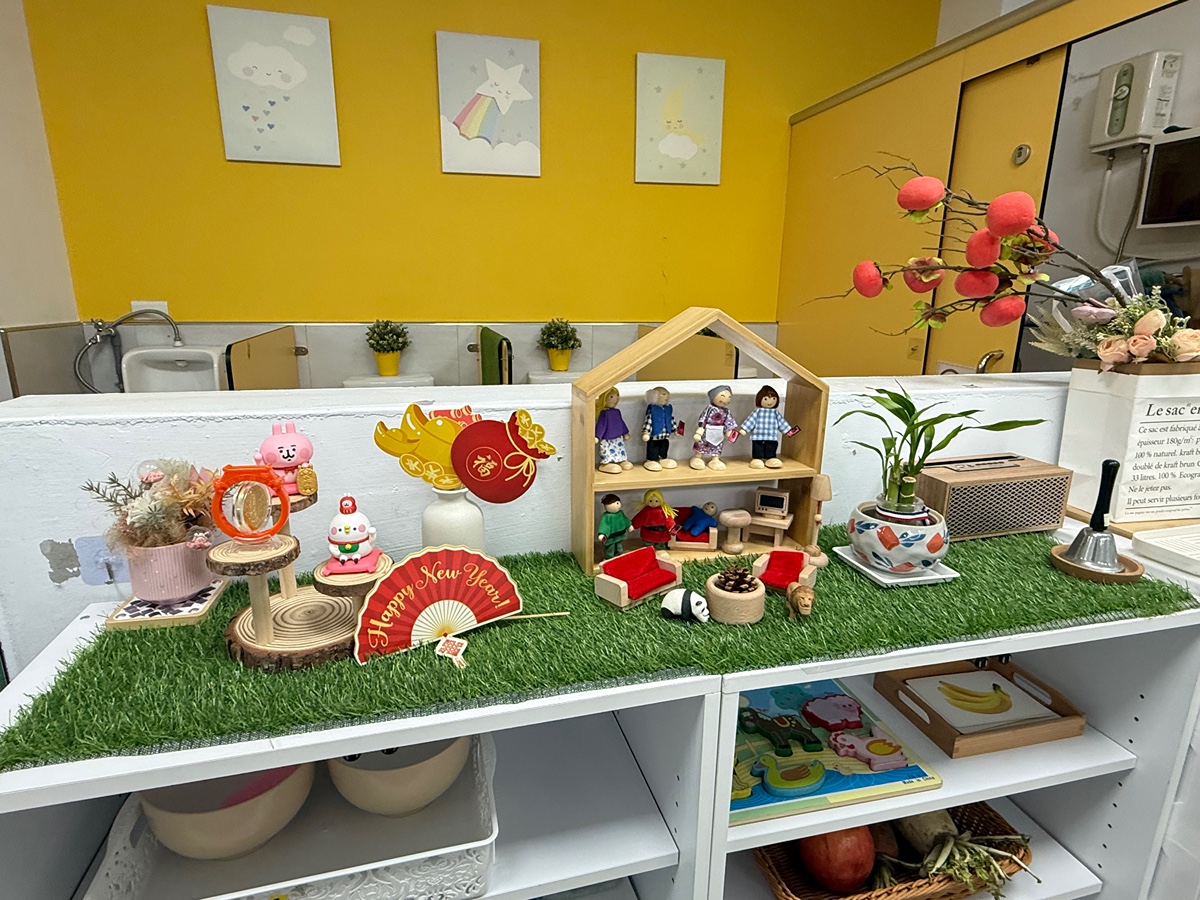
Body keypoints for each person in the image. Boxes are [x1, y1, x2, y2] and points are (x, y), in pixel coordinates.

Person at [739, 385, 798, 469]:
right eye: (766, 399)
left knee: (771, 447)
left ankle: (771, 458)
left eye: (773, 399)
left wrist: (788, 431)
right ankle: (757, 459)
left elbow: (781, 422)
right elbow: (751, 420)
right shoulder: (757, 412)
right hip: (757, 436)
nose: (770, 401)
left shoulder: (775, 413)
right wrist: (745, 429)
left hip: (771, 436)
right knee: (757, 447)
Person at [594, 387, 633, 474]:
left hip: (618, 438)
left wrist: (625, 432)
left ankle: (621, 460)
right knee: (607, 451)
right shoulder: (604, 413)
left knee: (620, 449)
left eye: (617, 396)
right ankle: (605, 463)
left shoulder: (617, 412)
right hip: (607, 439)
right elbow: (601, 425)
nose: (615, 399)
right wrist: (597, 436)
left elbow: (621, 423)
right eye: (611, 397)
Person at [641, 386, 680, 472]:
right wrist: (646, 432)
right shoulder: (653, 409)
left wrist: (675, 429)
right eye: (663, 394)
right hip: (654, 435)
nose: (667, 397)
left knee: (664, 446)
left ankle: (662, 458)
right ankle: (651, 460)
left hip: (665, 436)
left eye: (667, 394)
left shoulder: (668, 408)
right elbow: (648, 421)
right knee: (653, 448)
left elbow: (671, 419)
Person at [596, 493, 632, 559]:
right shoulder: (606, 516)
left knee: (619, 546)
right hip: (611, 536)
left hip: (620, 535)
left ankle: (619, 554)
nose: (617, 505)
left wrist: (629, 526)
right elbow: (604, 525)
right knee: (610, 548)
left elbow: (625, 520)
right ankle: (609, 558)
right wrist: (602, 534)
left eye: (618, 503)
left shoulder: (620, 513)